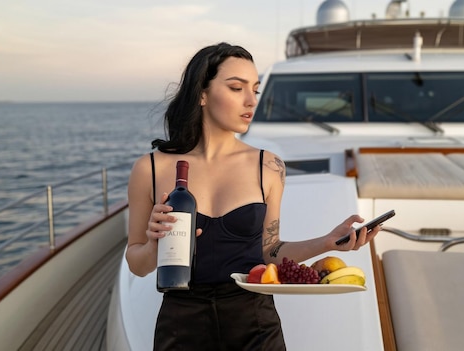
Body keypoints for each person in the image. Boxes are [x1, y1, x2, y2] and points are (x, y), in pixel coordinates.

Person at [125, 42, 381, 351]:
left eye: (256, 90)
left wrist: (326, 242)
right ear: (202, 94)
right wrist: (155, 244)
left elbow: (269, 251)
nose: (251, 101)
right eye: (236, 88)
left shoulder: (268, 167)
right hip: (181, 328)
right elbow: (137, 264)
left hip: (255, 326)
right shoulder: (149, 169)